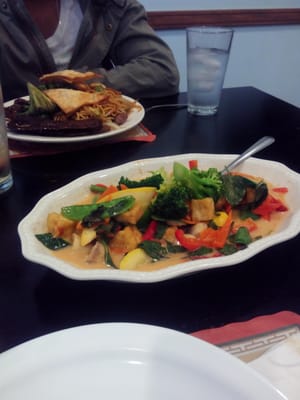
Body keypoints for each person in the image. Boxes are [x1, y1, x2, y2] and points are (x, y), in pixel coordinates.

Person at [0, 0, 180, 102]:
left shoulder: (110, 5)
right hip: (12, 154)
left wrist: (82, 83)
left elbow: (162, 71)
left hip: (102, 146)